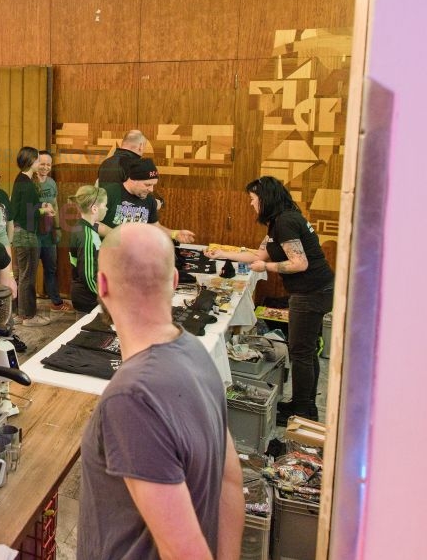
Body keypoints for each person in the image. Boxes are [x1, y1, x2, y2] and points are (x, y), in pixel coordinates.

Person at [78, 224, 243, 559]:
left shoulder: (131, 399)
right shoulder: (195, 351)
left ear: (102, 285)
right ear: (175, 281)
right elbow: (230, 483)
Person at [206, 176, 335, 424]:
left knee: (301, 352)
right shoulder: (279, 222)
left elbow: (299, 263)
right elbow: (259, 253)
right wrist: (223, 253)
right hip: (315, 290)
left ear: (265, 199)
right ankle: (304, 405)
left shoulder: (285, 222)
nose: (252, 204)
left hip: (312, 292)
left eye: (253, 199)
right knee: (306, 351)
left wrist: (267, 267)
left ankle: (302, 411)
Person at [99, 158, 196, 244]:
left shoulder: (149, 199)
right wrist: (117, 236)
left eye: (153, 185)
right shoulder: (108, 193)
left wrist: (175, 234)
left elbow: (155, 226)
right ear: (133, 179)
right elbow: (92, 222)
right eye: (147, 185)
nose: (151, 189)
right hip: (107, 253)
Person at [8, 146, 51, 326]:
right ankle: (29, 316)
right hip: (26, 234)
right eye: (37, 159)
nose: (39, 162)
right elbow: (27, 213)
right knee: (28, 277)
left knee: (21, 276)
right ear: (31, 160)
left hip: (20, 233)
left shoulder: (20, 179)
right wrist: (44, 210)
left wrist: (39, 206)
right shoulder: (26, 183)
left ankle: (19, 314)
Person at [34, 150, 72, 314]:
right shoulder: (29, 183)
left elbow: (55, 205)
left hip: (49, 232)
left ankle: (56, 302)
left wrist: (57, 228)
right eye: (42, 163)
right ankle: (25, 306)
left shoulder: (51, 183)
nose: (45, 167)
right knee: (29, 271)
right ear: (35, 163)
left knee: (51, 268)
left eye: (48, 164)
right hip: (33, 232)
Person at [67, 185, 108, 314]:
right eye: (105, 205)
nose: (106, 208)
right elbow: (88, 277)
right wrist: (106, 296)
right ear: (94, 209)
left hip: (82, 295)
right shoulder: (88, 236)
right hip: (88, 299)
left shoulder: (80, 227)